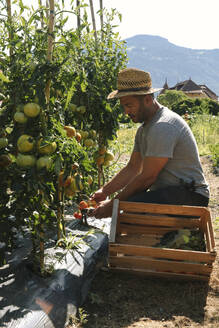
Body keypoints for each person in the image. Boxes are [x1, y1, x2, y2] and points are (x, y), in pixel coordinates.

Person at [91, 68, 209, 219]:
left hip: (191, 195)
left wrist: (112, 205)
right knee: (124, 206)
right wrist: (104, 191)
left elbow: (147, 177)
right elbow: (133, 168)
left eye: (129, 105)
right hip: (171, 193)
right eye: (124, 106)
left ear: (147, 99)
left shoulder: (163, 125)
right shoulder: (144, 129)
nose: (126, 112)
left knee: (123, 210)